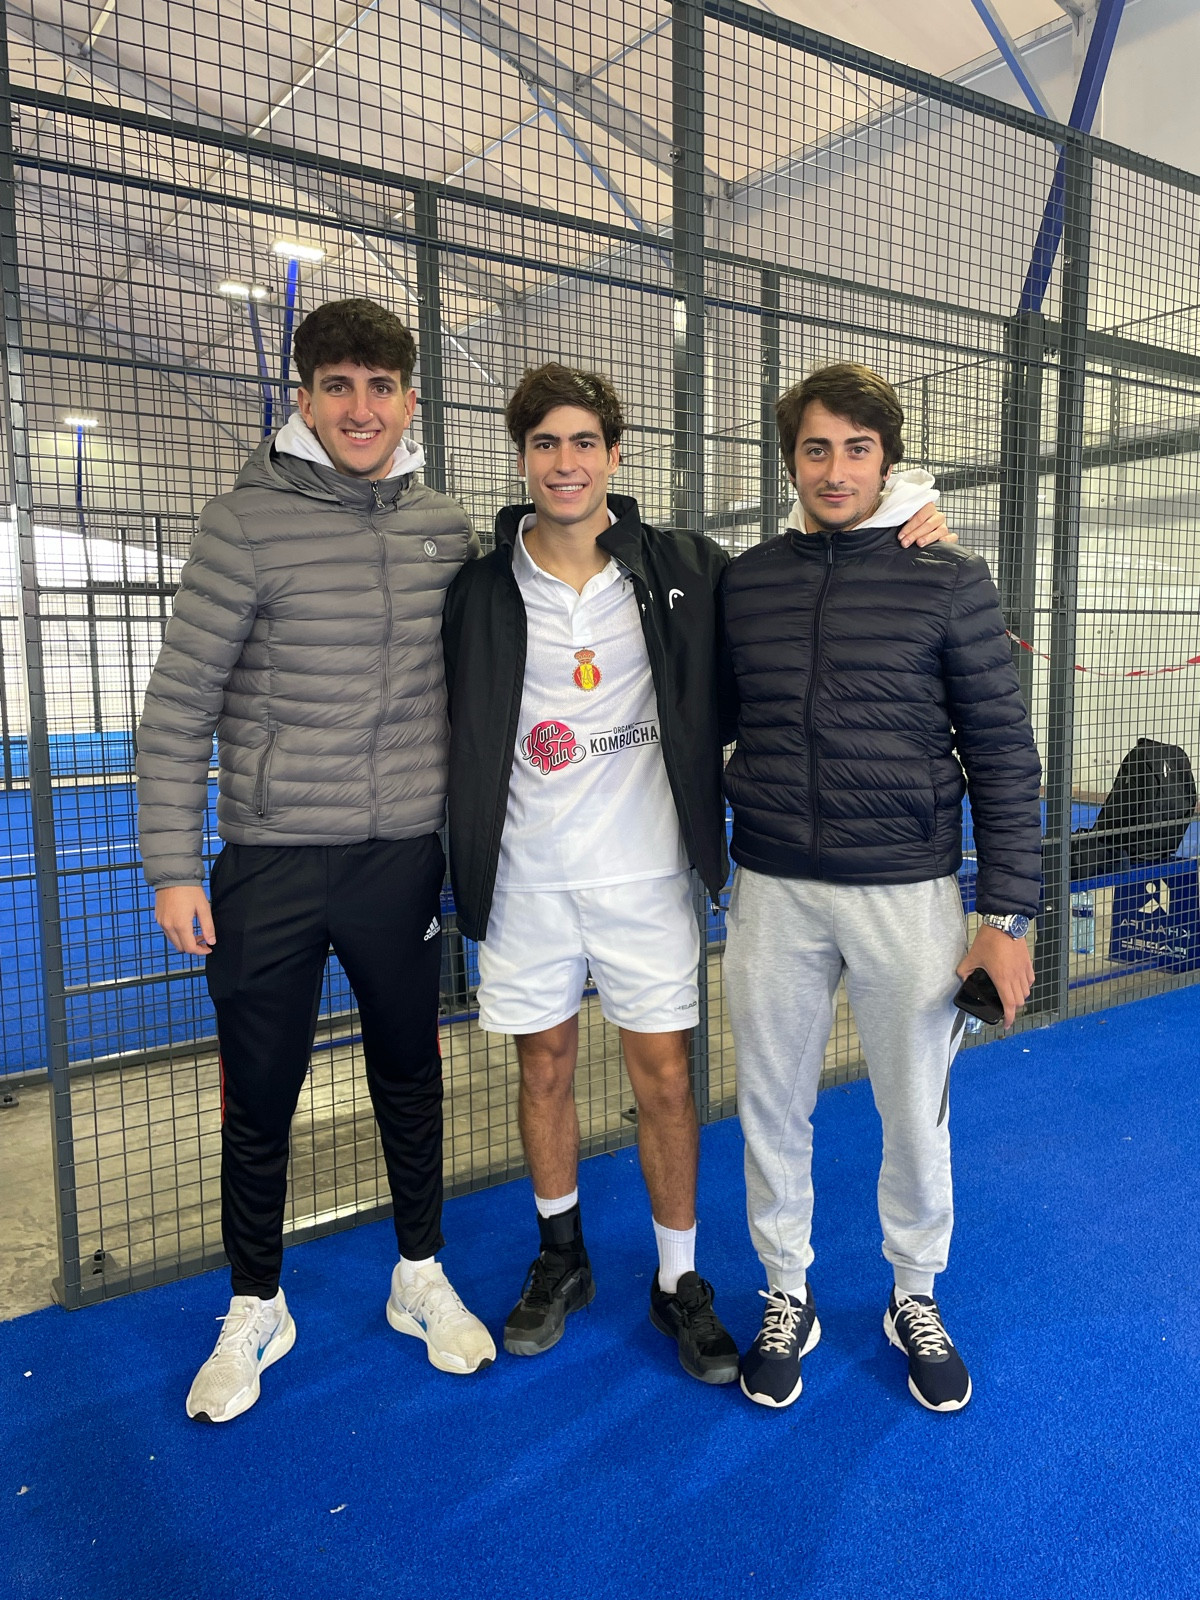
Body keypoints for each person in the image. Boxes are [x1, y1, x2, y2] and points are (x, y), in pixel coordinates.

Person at [440, 362, 951, 1384]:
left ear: (614, 455)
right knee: (542, 1067)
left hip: (647, 874)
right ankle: (561, 1256)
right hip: (526, 873)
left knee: (667, 1080)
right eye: (545, 444)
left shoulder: (687, 566)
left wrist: (911, 509)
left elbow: (814, 553)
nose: (566, 462)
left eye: (585, 442)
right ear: (523, 457)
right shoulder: (481, 588)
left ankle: (679, 1278)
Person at [136, 299, 494, 1424]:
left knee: (411, 1076)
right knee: (261, 1094)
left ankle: (419, 1273)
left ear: (411, 401)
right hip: (272, 863)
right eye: (338, 384)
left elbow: (548, 585)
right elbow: (180, 703)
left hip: (399, 862)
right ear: (304, 398)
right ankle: (256, 1302)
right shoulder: (243, 522)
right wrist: (172, 866)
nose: (361, 407)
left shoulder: (446, 528)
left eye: (381, 386)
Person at [720, 362, 1042, 1413]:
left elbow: (1003, 753)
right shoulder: (747, 582)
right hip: (773, 885)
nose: (836, 469)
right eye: (816, 449)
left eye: (857, 449)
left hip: (907, 891)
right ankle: (787, 1289)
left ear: (888, 461)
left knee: (914, 1111)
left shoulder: (949, 577)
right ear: (790, 462)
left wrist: (1007, 916)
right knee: (770, 1103)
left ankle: (915, 1293)